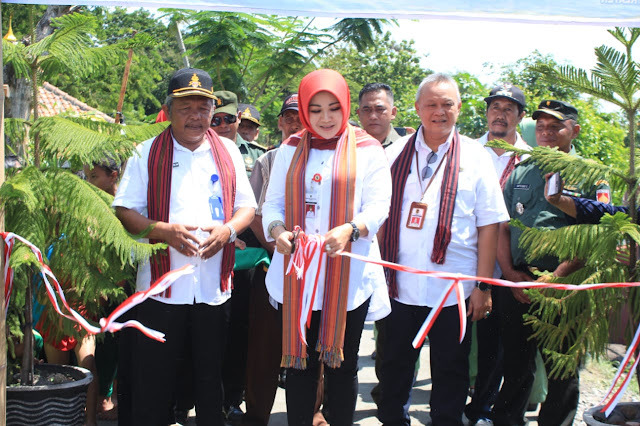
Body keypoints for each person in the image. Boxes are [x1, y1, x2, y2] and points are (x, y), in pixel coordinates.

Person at [113, 67, 256, 425]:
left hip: (212, 288)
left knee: (210, 379)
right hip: (161, 290)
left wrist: (227, 231)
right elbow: (124, 209)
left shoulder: (227, 151)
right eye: (186, 108)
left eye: (203, 108)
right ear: (169, 110)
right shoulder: (145, 152)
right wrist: (163, 230)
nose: (196, 116)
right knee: (154, 381)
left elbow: (247, 207)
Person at [376, 73, 509, 426]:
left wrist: (483, 286)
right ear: (417, 108)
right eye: (431, 104)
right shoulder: (393, 154)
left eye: (447, 104)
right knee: (392, 370)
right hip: (399, 287)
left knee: (451, 374)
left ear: (459, 108)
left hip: (454, 291)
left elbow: (489, 224)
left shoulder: (477, 158)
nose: (439, 112)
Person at [262, 69, 392, 426]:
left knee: (342, 365)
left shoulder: (367, 148)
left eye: (333, 108)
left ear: (346, 106)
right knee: (299, 365)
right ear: (304, 110)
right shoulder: (290, 148)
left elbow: (380, 206)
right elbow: (272, 203)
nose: (325, 118)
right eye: (315, 109)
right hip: (298, 273)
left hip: (347, 275)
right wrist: (277, 231)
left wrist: (351, 229)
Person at [492, 100, 610, 426]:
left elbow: (596, 231)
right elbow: (502, 227)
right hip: (520, 284)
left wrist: (555, 278)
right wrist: (512, 275)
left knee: (562, 371)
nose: (546, 132)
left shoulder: (592, 176)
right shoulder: (521, 170)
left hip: (565, 287)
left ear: (574, 130)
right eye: (541, 126)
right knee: (515, 366)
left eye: (555, 126)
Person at [466, 84, 529, 426]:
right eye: (495, 107)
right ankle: (460, 403)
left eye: (509, 108)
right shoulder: (466, 152)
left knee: (502, 343)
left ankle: (486, 410)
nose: (500, 114)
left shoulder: (533, 158)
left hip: (512, 266)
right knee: (461, 342)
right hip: (468, 260)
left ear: (520, 116)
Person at [243, 93, 301, 426]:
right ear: (280, 122)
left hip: (312, 269)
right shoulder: (269, 160)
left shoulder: (329, 157)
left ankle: (311, 412)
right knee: (263, 350)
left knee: (309, 351)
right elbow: (253, 212)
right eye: (288, 116)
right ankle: (256, 417)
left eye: (300, 115)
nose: (294, 122)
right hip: (271, 264)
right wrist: (272, 249)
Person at [212, 91, 267, 177]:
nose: (223, 125)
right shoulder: (197, 152)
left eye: (229, 119)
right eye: (216, 120)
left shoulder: (259, 154)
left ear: (239, 117)